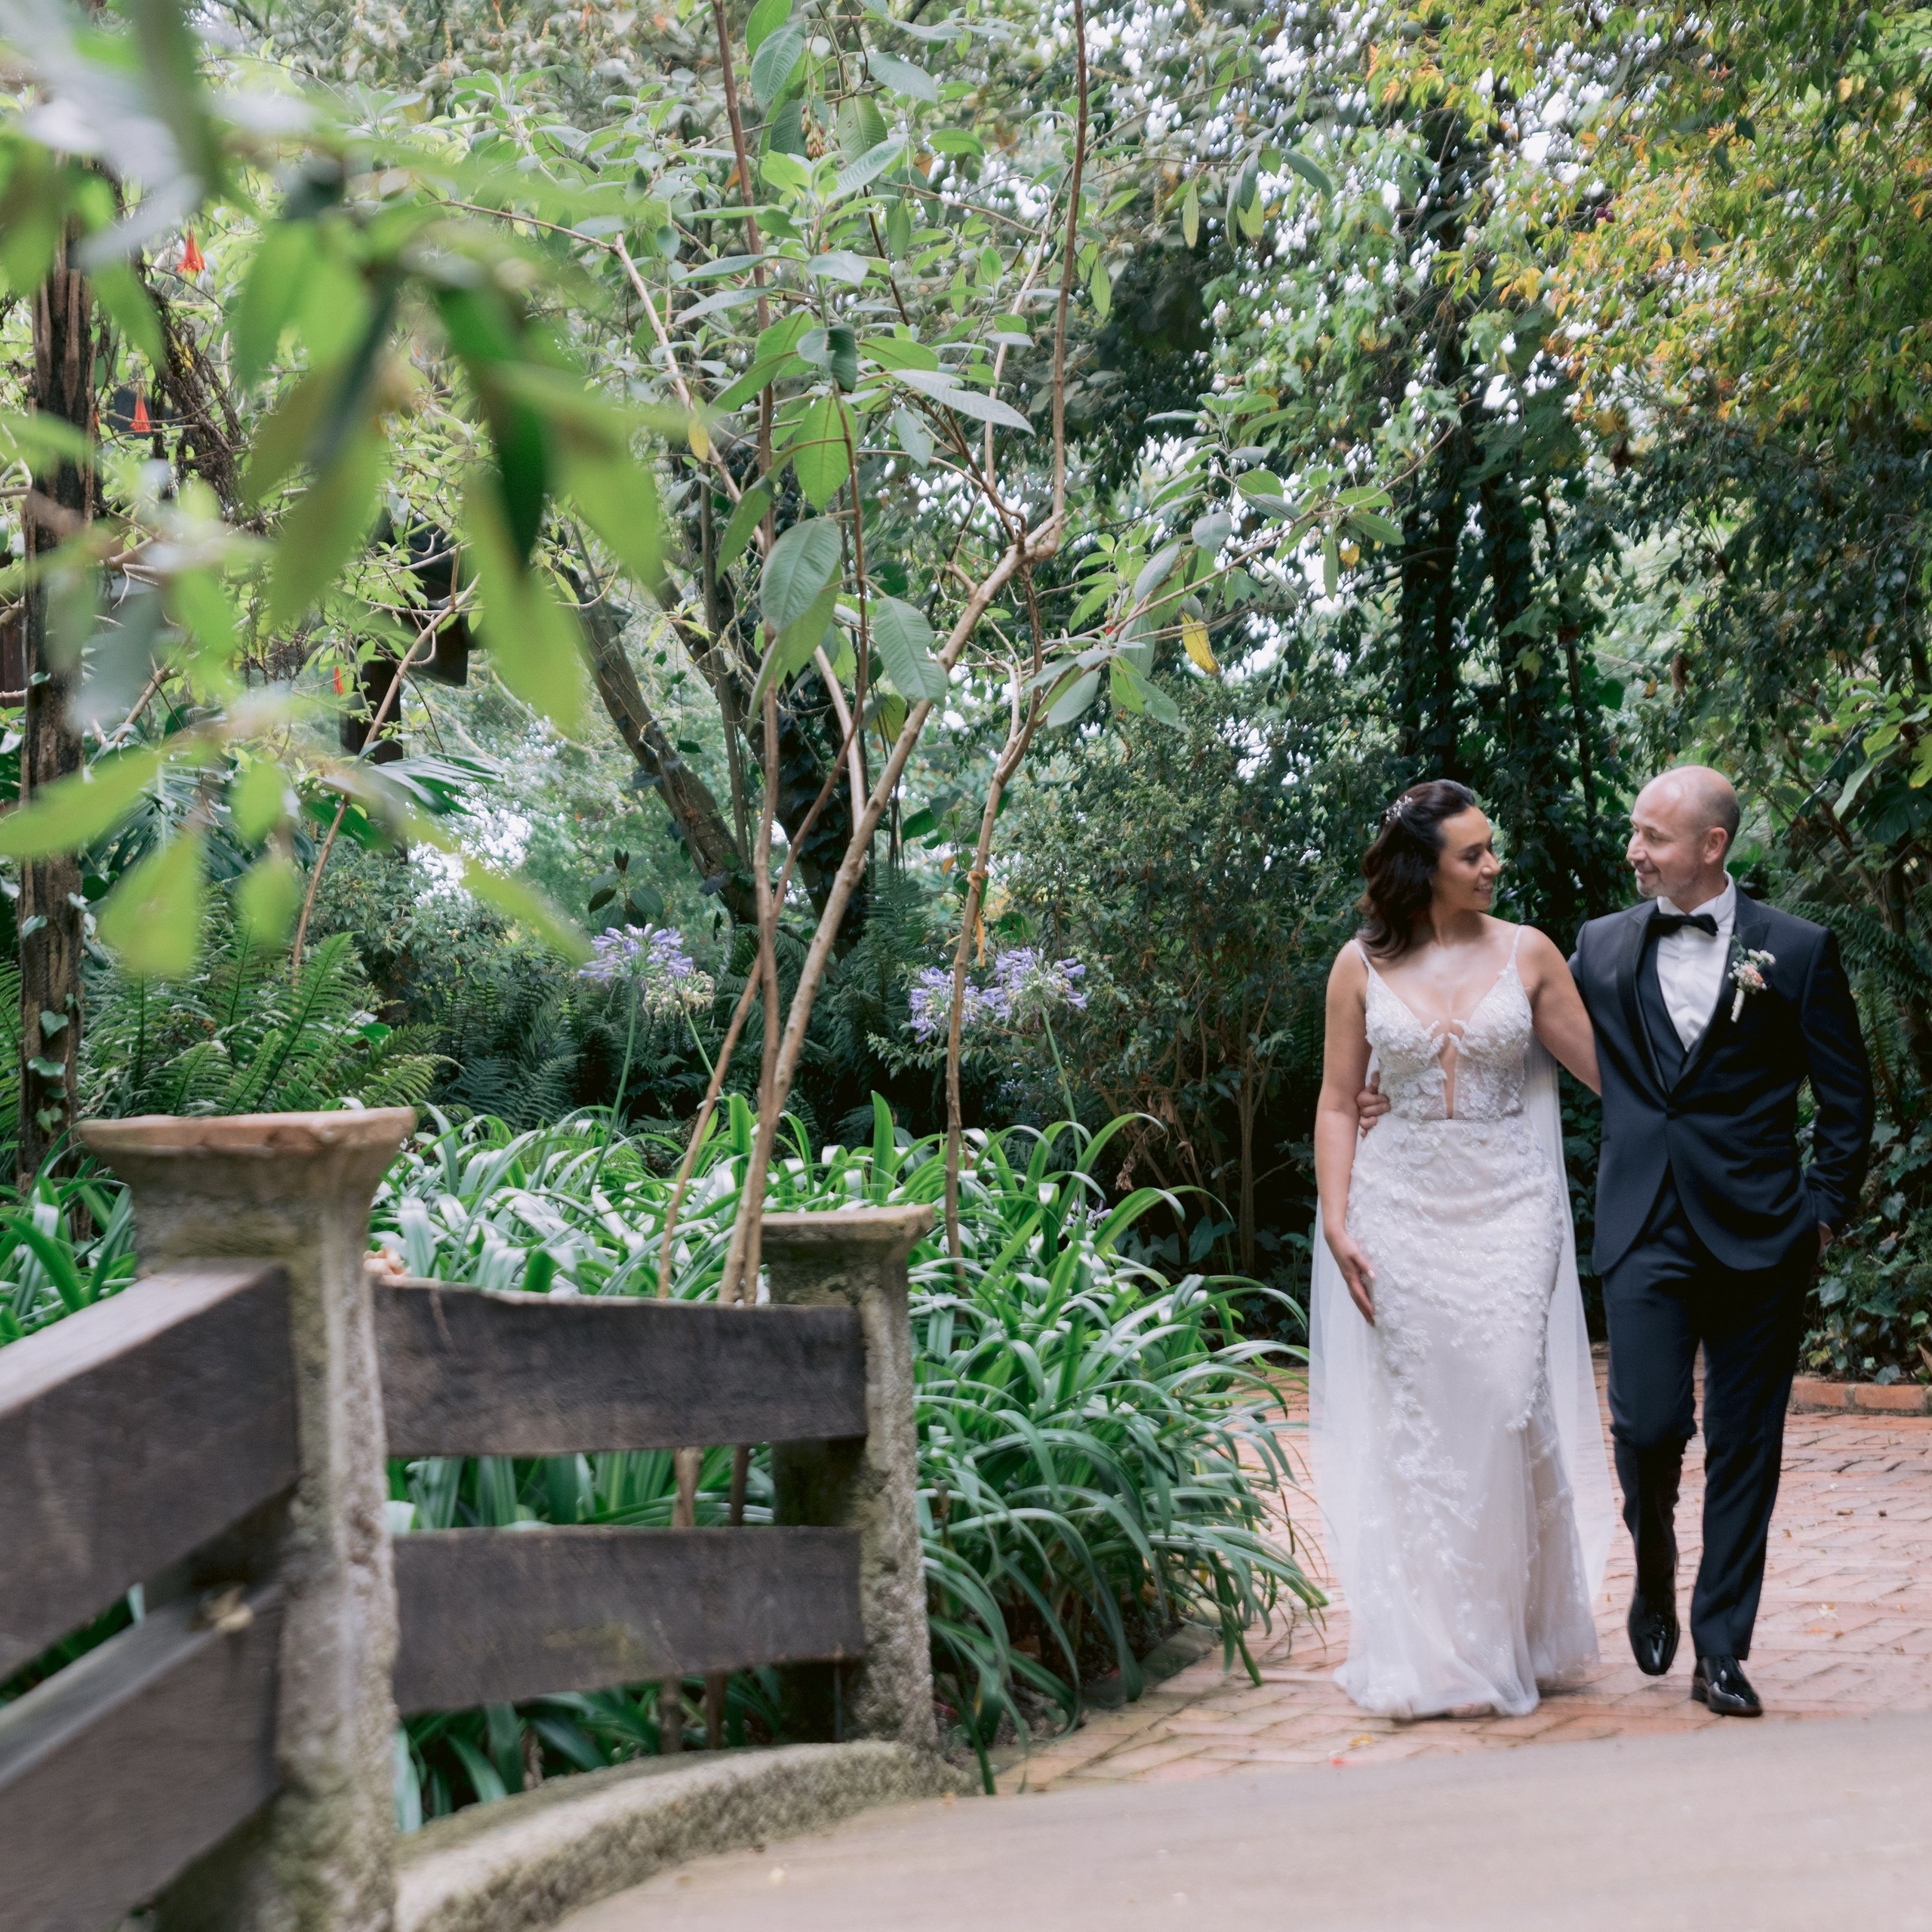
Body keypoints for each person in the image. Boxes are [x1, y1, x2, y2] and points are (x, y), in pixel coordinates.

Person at [1311, 780, 1614, 1720]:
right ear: (1421, 868)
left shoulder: (1528, 954)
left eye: (1490, 849)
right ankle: (1442, 1648)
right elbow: (1335, 1100)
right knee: (1427, 1420)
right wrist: (1335, 1217)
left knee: (1499, 1394)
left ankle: (1514, 1630)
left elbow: (1610, 1073)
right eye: (1471, 854)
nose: (1492, 865)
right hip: (1398, 1204)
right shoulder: (1356, 967)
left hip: (1509, 1205)